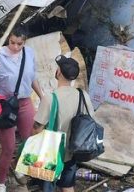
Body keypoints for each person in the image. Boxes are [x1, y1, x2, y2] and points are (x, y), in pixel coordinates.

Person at [0, 27, 45, 192]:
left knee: (30, 140)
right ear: (8, 40)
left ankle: (17, 165)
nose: (16, 47)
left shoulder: (29, 53)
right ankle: (1, 182)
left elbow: (32, 77)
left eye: (20, 43)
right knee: (9, 147)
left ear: (24, 42)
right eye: (12, 43)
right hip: (4, 105)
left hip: (25, 102)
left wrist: (42, 96)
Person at [32, 55, 93, 192]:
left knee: (47, 186)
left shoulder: (50, 98)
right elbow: (91, 119)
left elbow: (37, 128)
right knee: (67, 186)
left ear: (58, 72)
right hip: (72, 150)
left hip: (50, 153)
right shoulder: (83, 95)